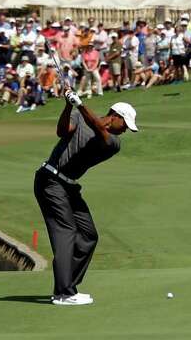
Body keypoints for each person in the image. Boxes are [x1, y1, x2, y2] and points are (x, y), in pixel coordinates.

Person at [34, 85, 137, 306]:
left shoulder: (113, 143)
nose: (126, 130)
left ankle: (68, 286)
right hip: (50, 180)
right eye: (125, 124)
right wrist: (67, 105)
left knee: (89, 235)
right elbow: (62, 131)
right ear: (115, 116)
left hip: (69, 187)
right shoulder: (81, 119)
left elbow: (97, 126)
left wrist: (79, 104)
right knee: (67, 231)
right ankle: (64, 292)